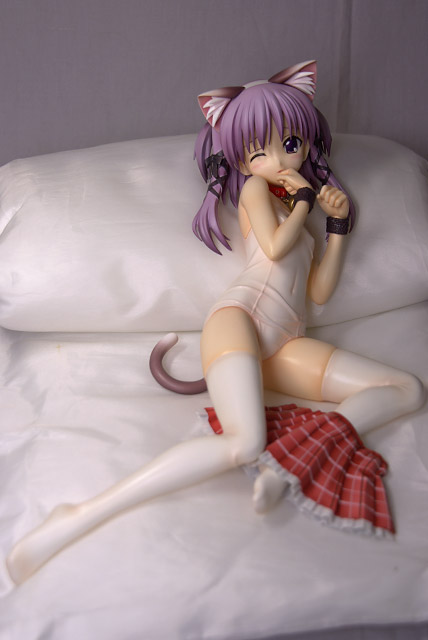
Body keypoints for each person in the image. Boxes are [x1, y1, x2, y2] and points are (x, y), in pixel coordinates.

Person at [7, 61, 425, 584]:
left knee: (405, 388)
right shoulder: (256, 192)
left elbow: (317, 293)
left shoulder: (300, 214)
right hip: (238, 321)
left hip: (285, 342)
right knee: (242, 444)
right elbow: (274, 247)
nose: (278, 160)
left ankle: (297, 459)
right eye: (259, 152)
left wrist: (337, 226)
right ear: (243, 160)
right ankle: (77, 516)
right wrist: (303, 201)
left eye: (289, 144)